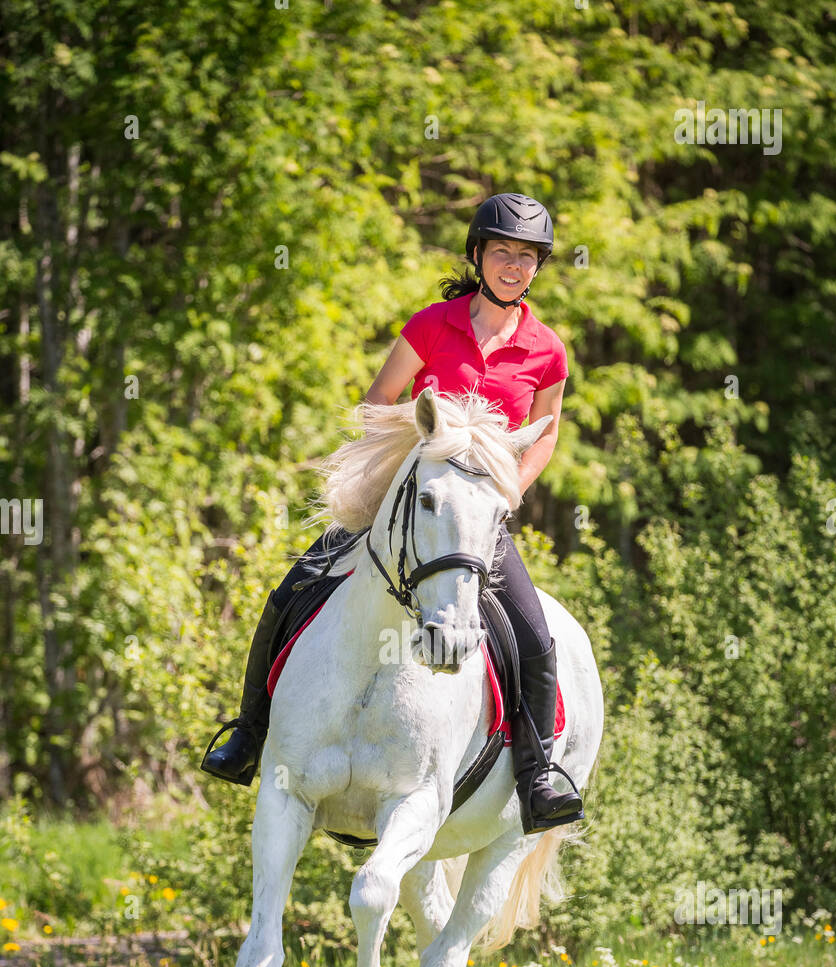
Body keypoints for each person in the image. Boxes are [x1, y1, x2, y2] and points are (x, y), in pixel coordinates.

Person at [201, 192, 584, 834]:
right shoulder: (431, 326)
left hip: (477, 519)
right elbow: (379, 401)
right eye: (502, 253)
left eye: (526, 257)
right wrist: (403, 454)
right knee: (290, 591)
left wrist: (508, 488)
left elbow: (544, 432)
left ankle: (537, 772)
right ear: (477, 256)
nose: (514, 267)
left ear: (537, 267)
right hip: (405, 502)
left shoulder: (548, 351)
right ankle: (248, 734)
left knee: (535, 637)